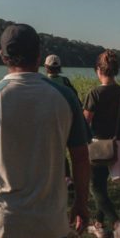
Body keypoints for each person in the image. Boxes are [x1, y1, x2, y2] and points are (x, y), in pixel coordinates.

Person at [0, 23, 90, 238]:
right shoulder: (65, 98)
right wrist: (81, 201)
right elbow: (80, 157)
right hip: (48, 221)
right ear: (39, 56)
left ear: (2, 56)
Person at [83, 50, 120, 238]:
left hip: (96, 146)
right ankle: (98, 226)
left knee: (95, 187)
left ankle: (117, 223)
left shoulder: (94, 93)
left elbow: (85, 123)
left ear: (98, 70)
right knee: (101, 185)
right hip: (115, 145)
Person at [44, 54, 80, 190]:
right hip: (65, 120)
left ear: (46, 67)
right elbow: (76, 100)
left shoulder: (42, 81)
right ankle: (67, 178)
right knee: (63, 150)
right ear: (59, 67)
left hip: (47, 121)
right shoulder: (65, 82)